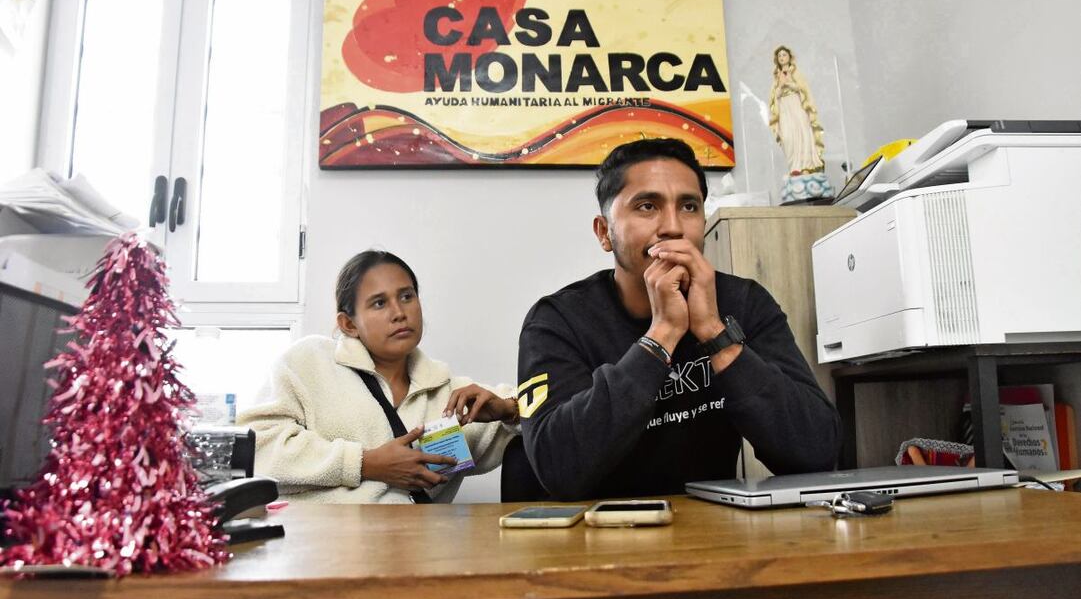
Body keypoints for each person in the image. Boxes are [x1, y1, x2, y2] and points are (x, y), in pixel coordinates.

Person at [516, 138, 841, 501]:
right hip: (598, 534)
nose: (672, 227)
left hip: (712, 531)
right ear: (604, 232)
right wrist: (663, 334)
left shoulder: (744, 303)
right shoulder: (557, 321)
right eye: (646, 206)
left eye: (688, 206)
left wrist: (714, 334)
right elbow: (557, 468)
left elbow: (817, 453)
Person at [238, 250, 520, 503]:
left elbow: (546, 417)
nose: (399, 313)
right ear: (348, 324)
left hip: (415, 552)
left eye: (407, 297)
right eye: (379, 303)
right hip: (321, 548)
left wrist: (509, 410)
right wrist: (364, 463)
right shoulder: (309, 362)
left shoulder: (452, 396)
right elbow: (257, 448)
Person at [768, 45, 826, 176]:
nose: (782, 57)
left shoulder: (796, 73)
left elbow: (803, 89)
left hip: (797, 105)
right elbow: (773, 98)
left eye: (784, 55)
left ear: (789, 57)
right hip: (783, 108)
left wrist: (789, 83)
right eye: (779, 56)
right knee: (788, 137)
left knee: (803, 132)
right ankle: (794, 166)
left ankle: (805, 166)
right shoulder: (776, 78)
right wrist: (780, 87)